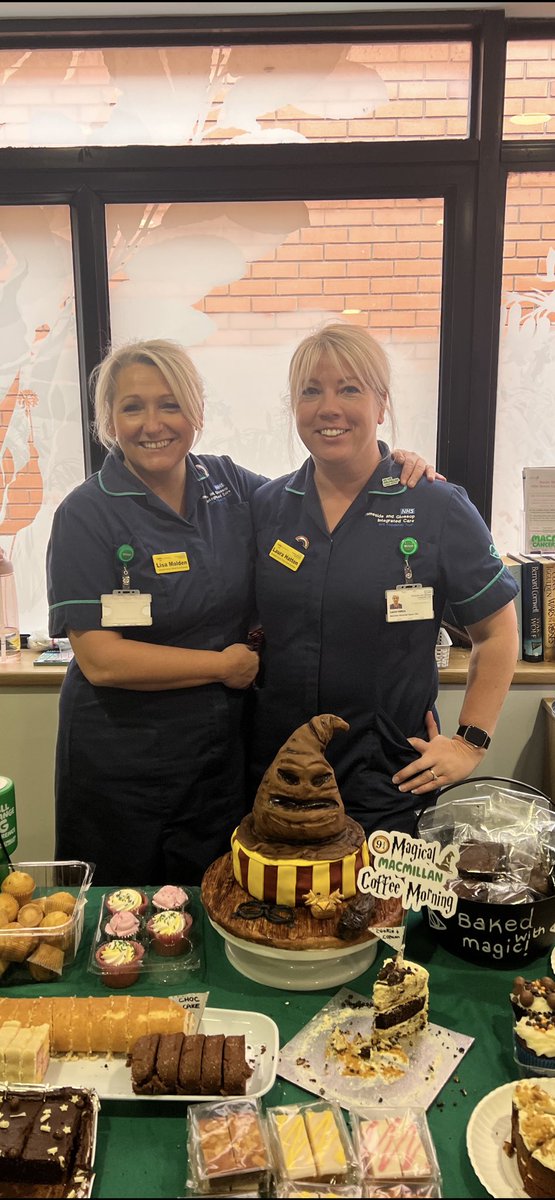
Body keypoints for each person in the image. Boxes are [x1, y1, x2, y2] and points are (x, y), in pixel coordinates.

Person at [47, 337, 436, 884]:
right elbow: (101, 660)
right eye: (132, 407)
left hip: (219, 757)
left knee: (217, 902)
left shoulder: (226, 485)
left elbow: (317, 491)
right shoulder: (85, 514)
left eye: (171, 404)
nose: (152, 423)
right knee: (121, 919)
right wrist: (223, 667)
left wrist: (389, 465)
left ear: (197, 413)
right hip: (121, 762)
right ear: (109, 420)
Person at [249, 323, 519, 836]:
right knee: (286, 914)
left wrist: (469, 743)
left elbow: (497, 631)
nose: (329, 407)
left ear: (381, 403)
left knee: (383, 918)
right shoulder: (267, 506)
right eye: (311, 391)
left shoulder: (436, 505)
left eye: (349, 388)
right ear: (294, 407)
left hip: (390, 780)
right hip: (278, 777)